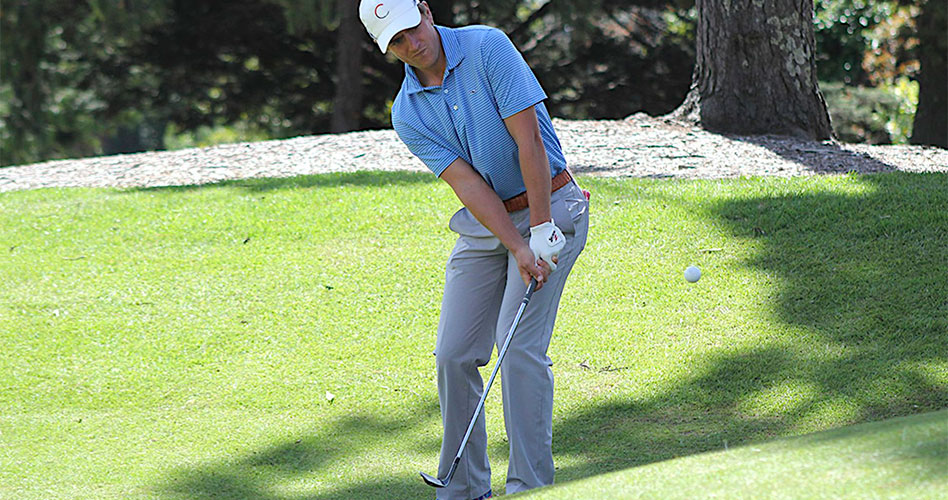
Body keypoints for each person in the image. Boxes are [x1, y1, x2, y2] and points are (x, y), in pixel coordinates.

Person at [358, 1, 589, 499]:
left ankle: (529, 487)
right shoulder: (407, 112)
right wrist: (514, 245)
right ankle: (462, 489)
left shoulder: (487, 47)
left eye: (411, 27)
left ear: (424, 8)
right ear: (387, 50)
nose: (411, 43)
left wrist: (541, 231)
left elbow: (529, 141)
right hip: (488, 225)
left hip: (550, 204)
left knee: (517, 344)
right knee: (453, 352)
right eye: (396, 41)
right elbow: (468, 187)